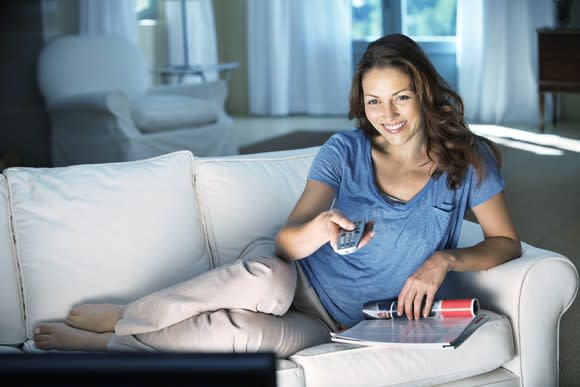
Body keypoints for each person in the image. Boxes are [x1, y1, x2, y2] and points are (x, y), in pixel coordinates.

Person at [33, 33, 521, 355]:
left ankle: (111, 343)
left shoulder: (468, 160)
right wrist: (319, 229)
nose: (387, 113)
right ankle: (125, 313)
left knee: (237, 333)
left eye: (401, 97)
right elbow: (287, 243)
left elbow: (505, 242)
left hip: (345, 321)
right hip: (292, 276)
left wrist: (445, 262)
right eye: (374, 100)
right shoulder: (344, 150)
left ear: (424, 92)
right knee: (265, 283)